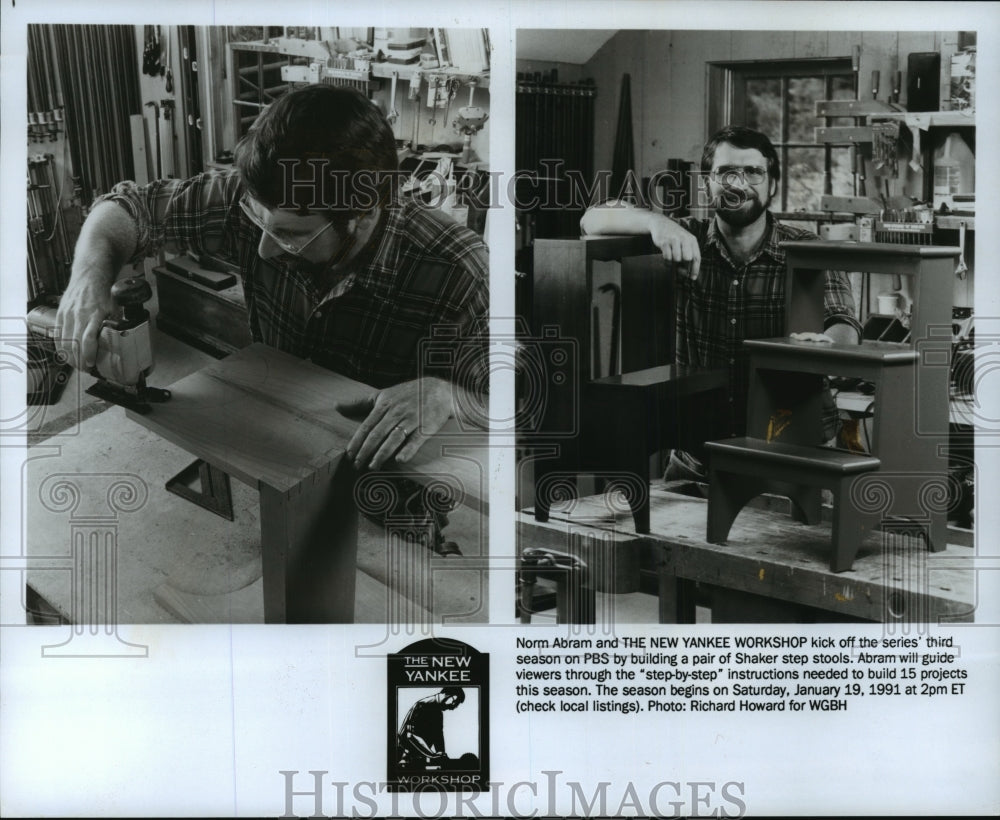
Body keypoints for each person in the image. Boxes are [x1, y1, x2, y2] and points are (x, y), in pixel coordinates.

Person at [55, 84, 489, 474]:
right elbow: (129, 207)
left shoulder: (459, 268)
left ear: (361, 214)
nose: (264, 249)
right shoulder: (261, 202)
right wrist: (89, 279)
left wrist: (446, 393)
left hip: (385, 479)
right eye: (257, 221)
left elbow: (527, 395)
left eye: (290, 236)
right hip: (276, 450)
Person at [581, 125, 861, 480]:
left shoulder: (809, 251)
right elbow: (591, 218)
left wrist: (820, 349)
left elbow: (844, 327)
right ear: (707, 184)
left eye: (753, 172)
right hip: (698, 459)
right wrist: (657, 223)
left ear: (773, 185)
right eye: (726, 172)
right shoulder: (684, 240)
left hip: (795, 457)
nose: (738, 184)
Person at [396, 686, 465, 769]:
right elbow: (410, 736)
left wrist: (441, 754)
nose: (453, 707)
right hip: (404, 760)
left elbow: (438, 736)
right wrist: (433, 755)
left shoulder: (438, 714)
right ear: (446, 694)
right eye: (455, 702)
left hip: (419, 761)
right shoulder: (422, 705)